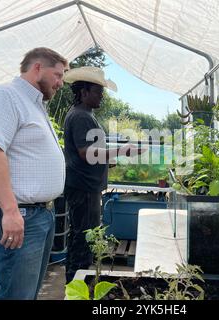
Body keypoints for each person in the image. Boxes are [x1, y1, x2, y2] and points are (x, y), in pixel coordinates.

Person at [0, 47, 68, 299]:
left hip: (39, 214)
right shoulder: (5, 96)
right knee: (16, 294)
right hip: (21, 214)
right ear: (37, 67)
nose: (60, 83)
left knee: (26, 293)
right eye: (58, 75)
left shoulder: (34, 104)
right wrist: (11, 211)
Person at [63, 66, 145, 283]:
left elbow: (91, 152)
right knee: (84, 237)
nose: (101, 96)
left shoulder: (85, 114)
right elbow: (85, 152)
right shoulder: (81, 116)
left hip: (85, 186)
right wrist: (122, 150)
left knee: (82, 235)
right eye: (98, 91)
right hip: (83, 188)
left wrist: (106, 160)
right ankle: (78, 284)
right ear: (84, 92)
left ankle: (75, 282)